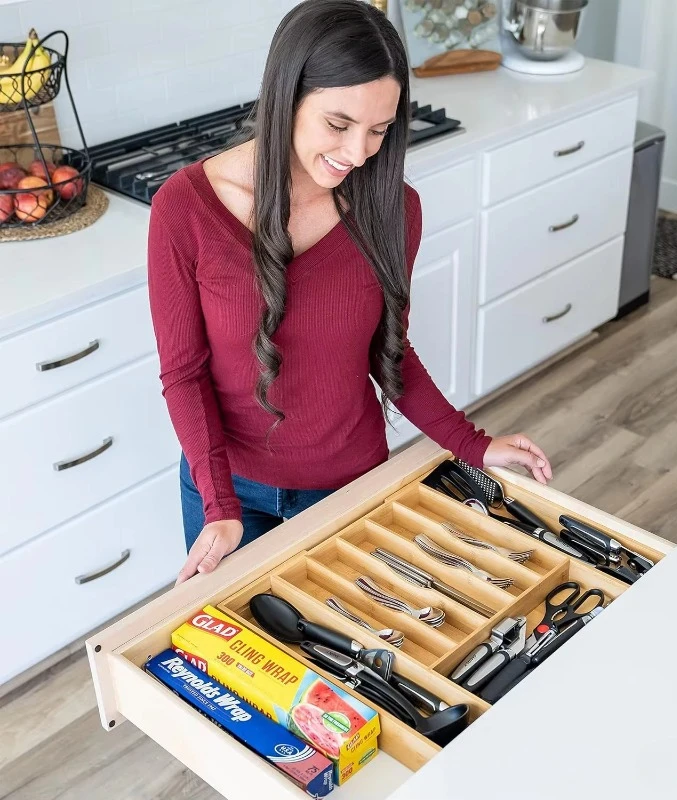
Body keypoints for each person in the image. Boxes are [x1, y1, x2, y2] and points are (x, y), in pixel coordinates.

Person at [147, 0, 553, 586]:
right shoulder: (184, 209)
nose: (360, 152)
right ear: (287, 96)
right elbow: (183, 373)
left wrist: (473, 445)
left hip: (349, 485)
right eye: (339, 125)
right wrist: (219, 505)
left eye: (379, 130)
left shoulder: (392, 207)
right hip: (229, 498)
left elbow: (390, 350)